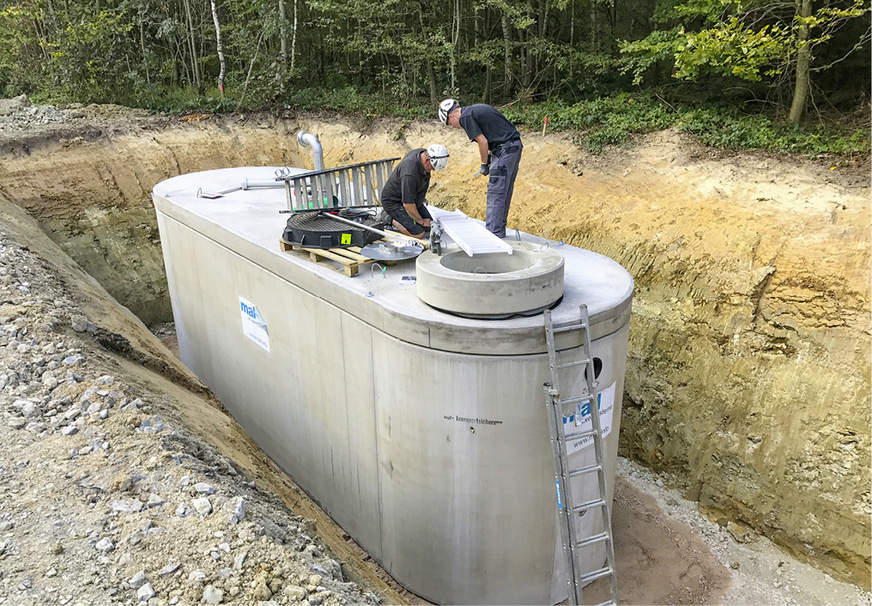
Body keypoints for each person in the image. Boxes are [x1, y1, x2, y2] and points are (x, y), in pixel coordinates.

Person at [439, 98, 522, 238]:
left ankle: (493, 234)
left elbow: (482, 142)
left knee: (496, 191)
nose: (454, 126)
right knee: (504, 190)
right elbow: (492, 135)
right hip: (513, 147)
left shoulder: (465, 117)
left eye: (450, 123)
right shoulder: (474, 110)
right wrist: (489, 159)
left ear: (451, 116)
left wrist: (484, 164)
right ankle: (499, 230)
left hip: (504, 150)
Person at [379, 144, 449, 239]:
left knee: (429, 227)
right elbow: (408, 204)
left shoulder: (424, 154)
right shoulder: (409, 173)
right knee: (418, 233)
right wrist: (422, 221)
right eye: (432, 167)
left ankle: (406, 218)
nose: (433, 170)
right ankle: (389, 218)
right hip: (394, 202)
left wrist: (423, 222)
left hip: (414, 200)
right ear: (427, 160)